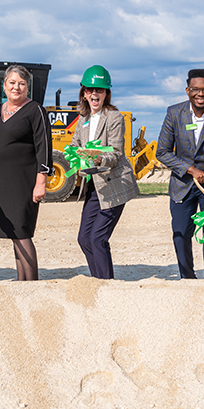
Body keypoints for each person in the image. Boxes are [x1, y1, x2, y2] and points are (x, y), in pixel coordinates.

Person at [156, 69, 204, 279]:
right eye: (195, 89)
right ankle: (188, 279)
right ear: (187, 90)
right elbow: (162, 152)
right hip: (182, 184)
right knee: (181, 235)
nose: (200, 94)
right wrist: (191, 170)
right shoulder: (174, 113)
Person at [69, 65, 139, 279]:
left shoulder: (114, 117)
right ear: (83, 92)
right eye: (90, 90)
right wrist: (74, 154)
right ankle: (98, 279)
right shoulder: (83, 118)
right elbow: (74, 145)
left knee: (98, 238)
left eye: (99, 90)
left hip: (114, 185)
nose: (94, 94)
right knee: (84, 238)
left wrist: (98, 157)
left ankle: (106, 283)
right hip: (93, 186)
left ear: (106, 92)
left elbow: (116, 153)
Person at [0, 64, 52, 281]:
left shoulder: (35, 110)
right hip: (0, 182)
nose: (17, 87)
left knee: (22, 233)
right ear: (4, 86)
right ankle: (21, 281)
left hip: (23, 182)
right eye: (12, 83)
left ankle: (32, 283)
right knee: (13, 233)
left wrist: (41, 181)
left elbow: (44, 147)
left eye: (22, 84)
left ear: (28, 87)